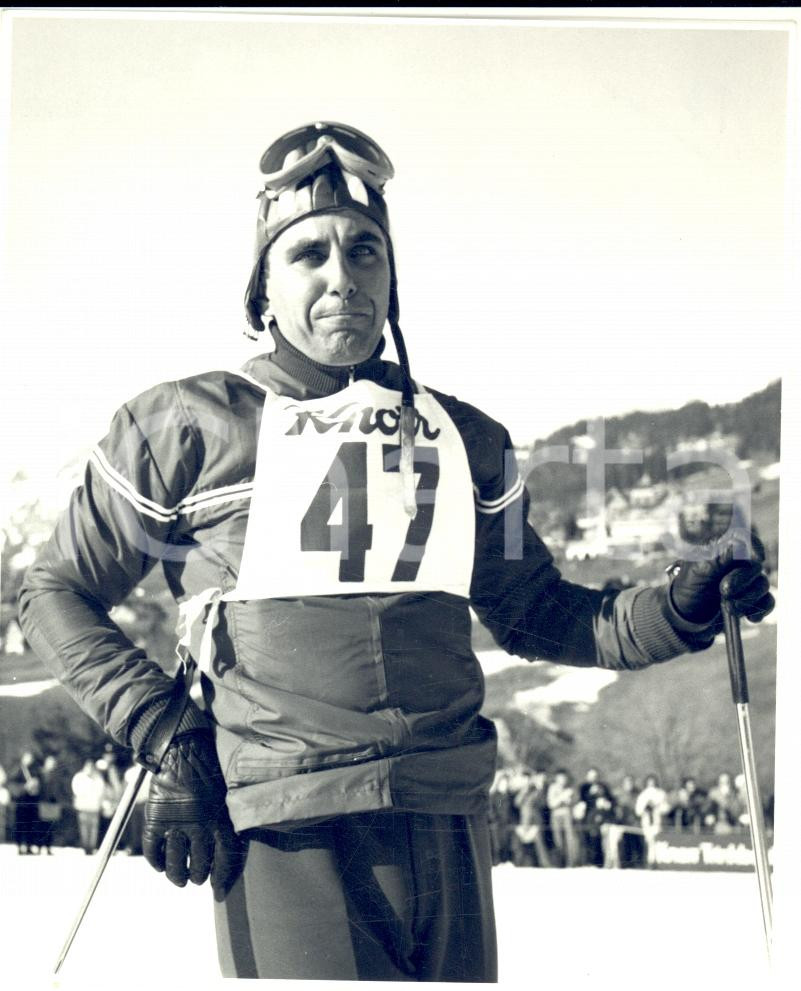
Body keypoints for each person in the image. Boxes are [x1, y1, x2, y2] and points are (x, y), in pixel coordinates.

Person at [17, 121, 774, 981]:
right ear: (261, 287)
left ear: (392, 274)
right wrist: (170, 735)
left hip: (444, 813)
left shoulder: (465, 438)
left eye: (364, 250)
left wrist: (675, 605)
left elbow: (539, 612)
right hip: (288, 823)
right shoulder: (186, 424)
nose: (342, 277)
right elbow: (51, 593)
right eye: (308, 255)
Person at [71, 759, 105, 855]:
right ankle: (86, 847)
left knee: (94, 829)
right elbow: (76, 791)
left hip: (94, 807)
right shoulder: (79, 777)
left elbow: (100, 791)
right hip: (83, 807)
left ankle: (92, 847)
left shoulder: (98, 778)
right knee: (84, 829)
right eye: (88, 767)